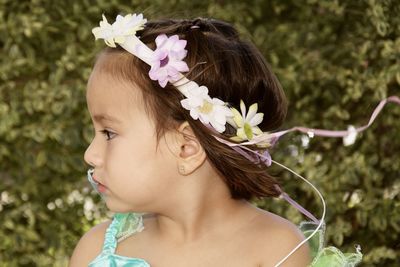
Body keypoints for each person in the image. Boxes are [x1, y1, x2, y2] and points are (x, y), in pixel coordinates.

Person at [67, 12, 387, 266]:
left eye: (108, 133)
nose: (90, 155)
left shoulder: (278, 252)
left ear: (187, 147)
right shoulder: (94, 253)